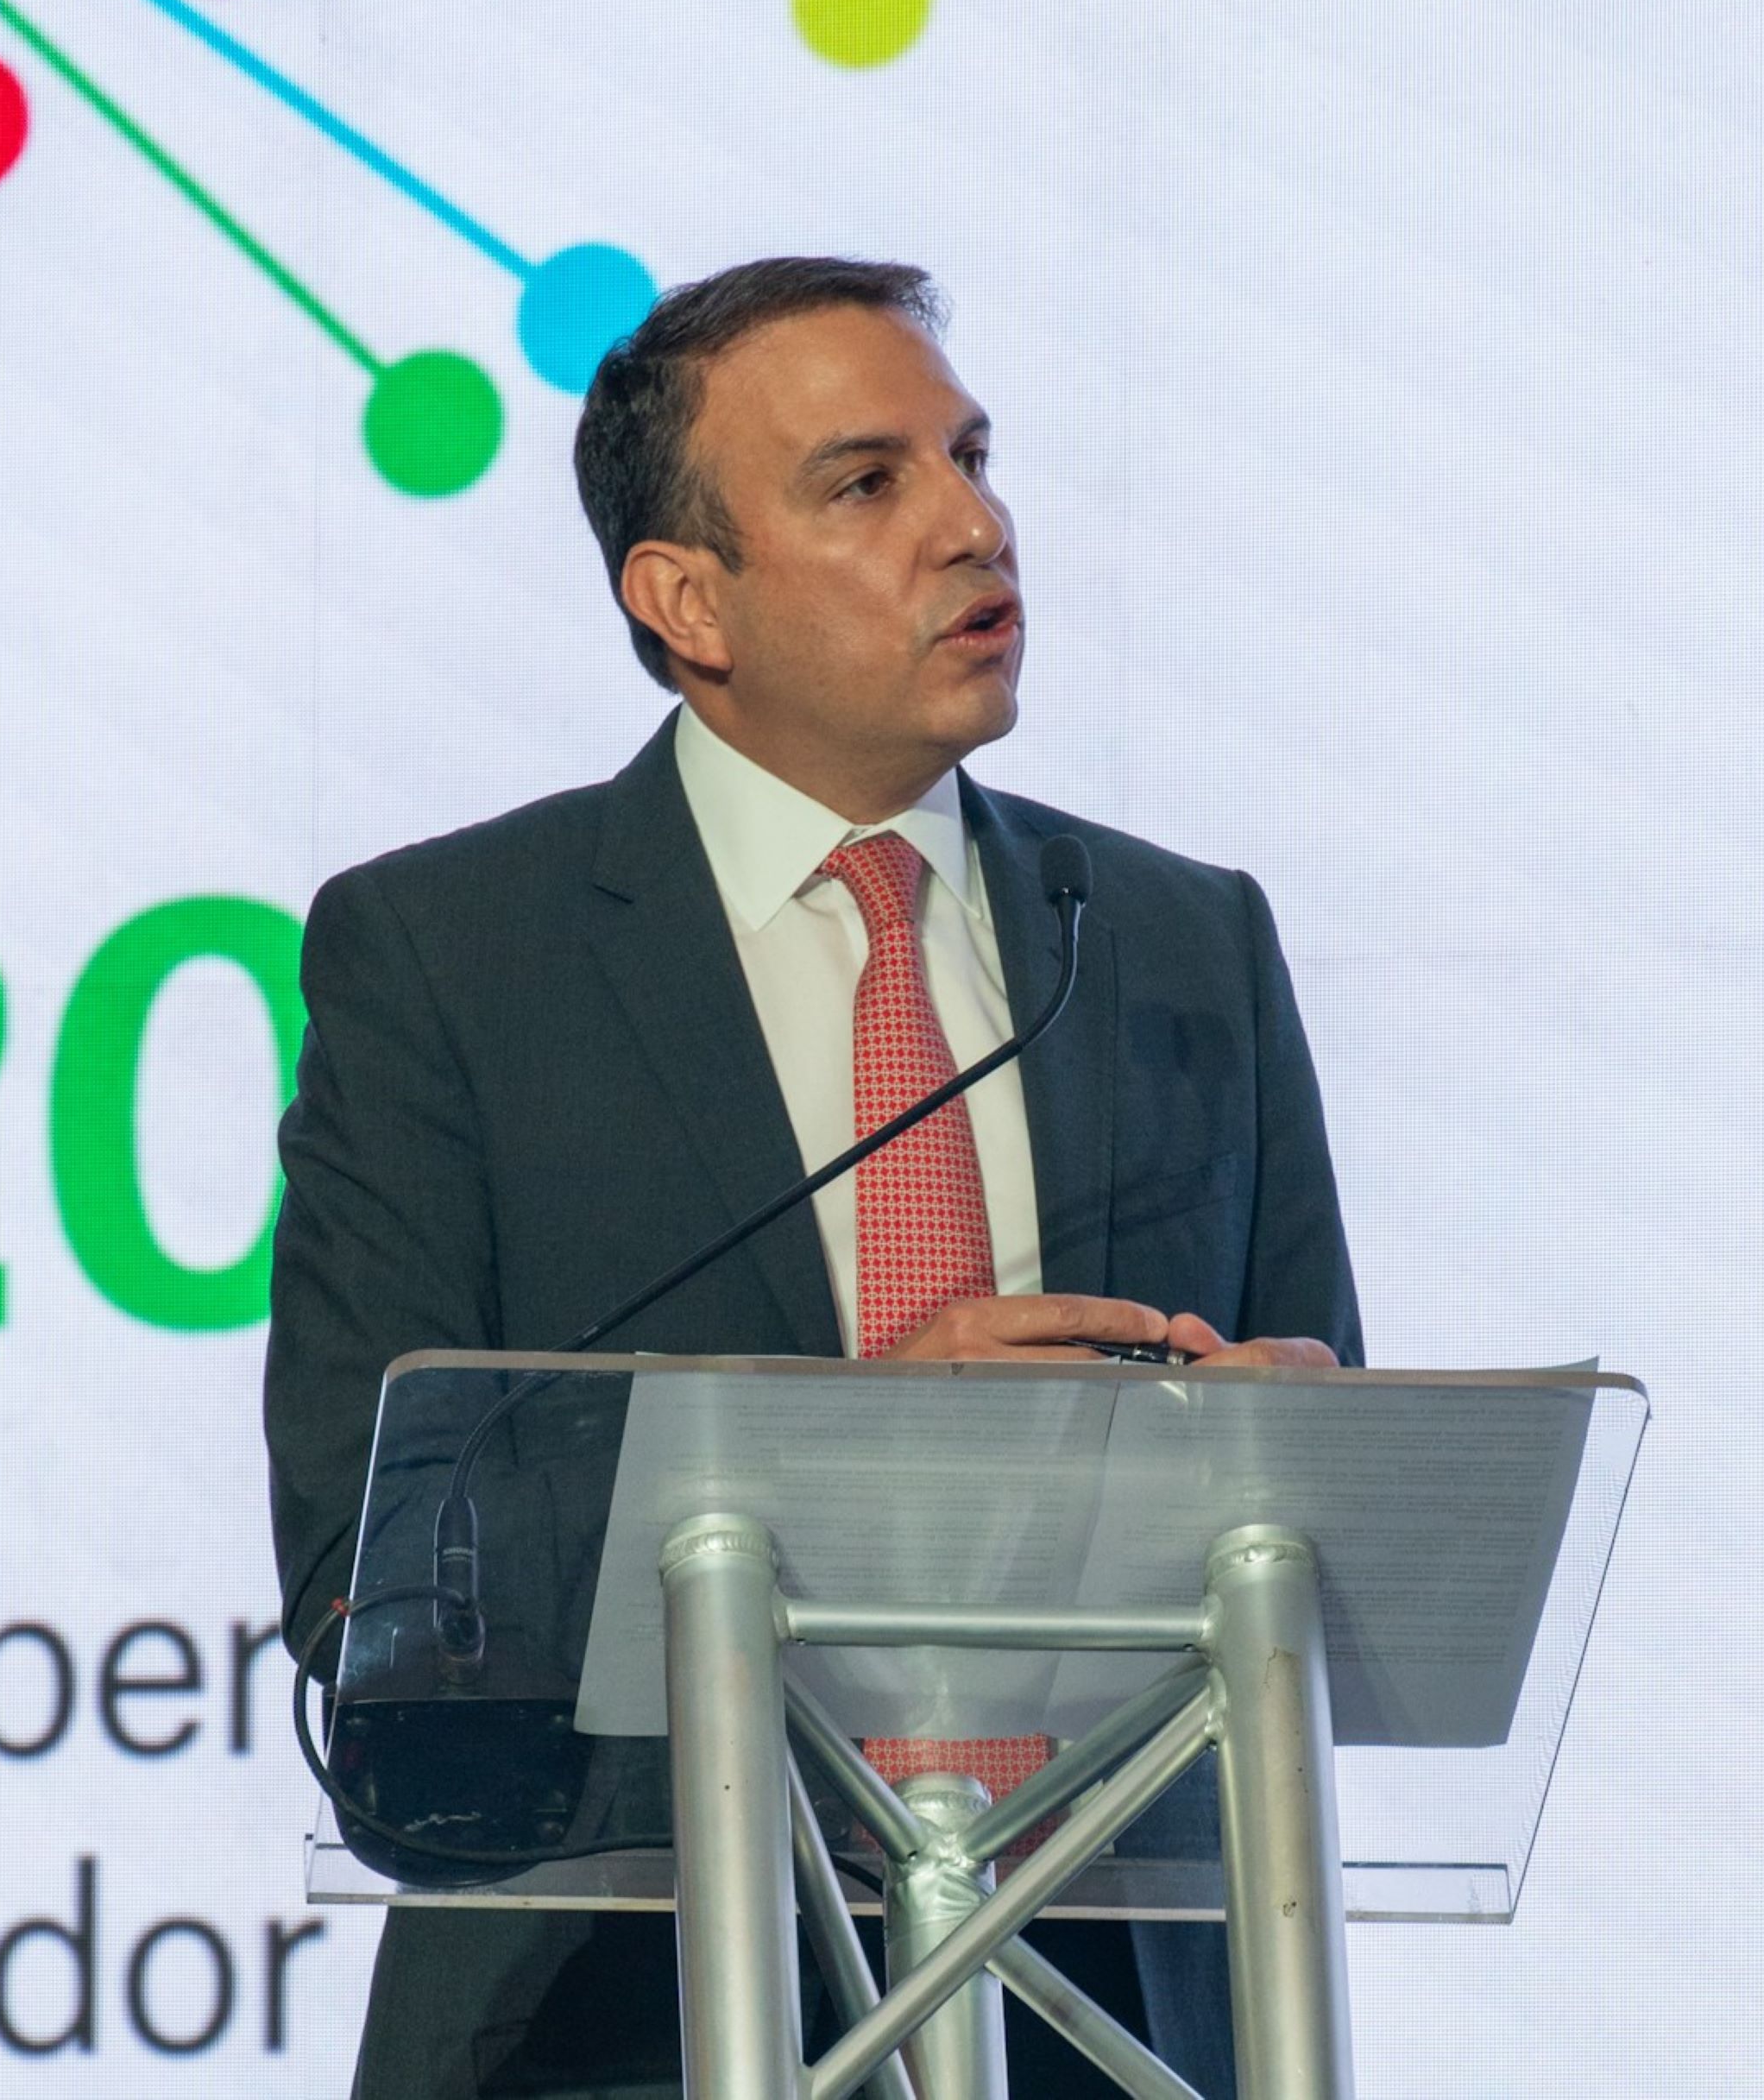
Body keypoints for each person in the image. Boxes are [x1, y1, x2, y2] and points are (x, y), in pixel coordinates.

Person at [265, 256, 1364, 2098]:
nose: (972, 525)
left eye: (971, 456)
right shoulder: (452, 955)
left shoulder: (1179, 943)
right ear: (687, 598)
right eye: (867, 481)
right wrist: (848, 1458)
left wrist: (1285, 1449)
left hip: (1121, 2021)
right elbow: (368, 1563)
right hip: (617, 2017)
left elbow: (1315, 1483)